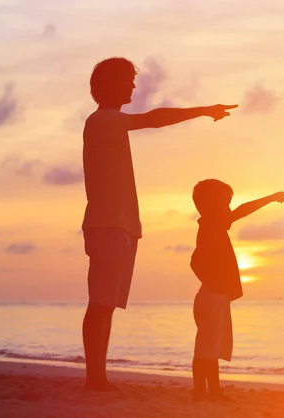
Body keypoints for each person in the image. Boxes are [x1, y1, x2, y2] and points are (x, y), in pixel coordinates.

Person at [81, 57, 238, 392]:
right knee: (100, 303)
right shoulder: (102, 121)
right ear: (109, 84)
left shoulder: (111, 122)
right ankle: (95, 378)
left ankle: (98, 377)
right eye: (127, 80)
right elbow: (154, 119)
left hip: (120, 226)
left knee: (106, 304)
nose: (133, 86)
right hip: (108, 225)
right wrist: (202, 110)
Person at [189, 179, 284, 401]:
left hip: (214, 295)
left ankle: (213, 390)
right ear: (210, 205)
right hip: (212, 296)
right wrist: (270, 197)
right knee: (205, 349)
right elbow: (241, 212)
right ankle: (200, 392)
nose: (228, 209)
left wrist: (213, 282)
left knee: (211, 348)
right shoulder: (211, 225)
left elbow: (195, 261)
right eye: (225, 203)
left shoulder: (210, 227)